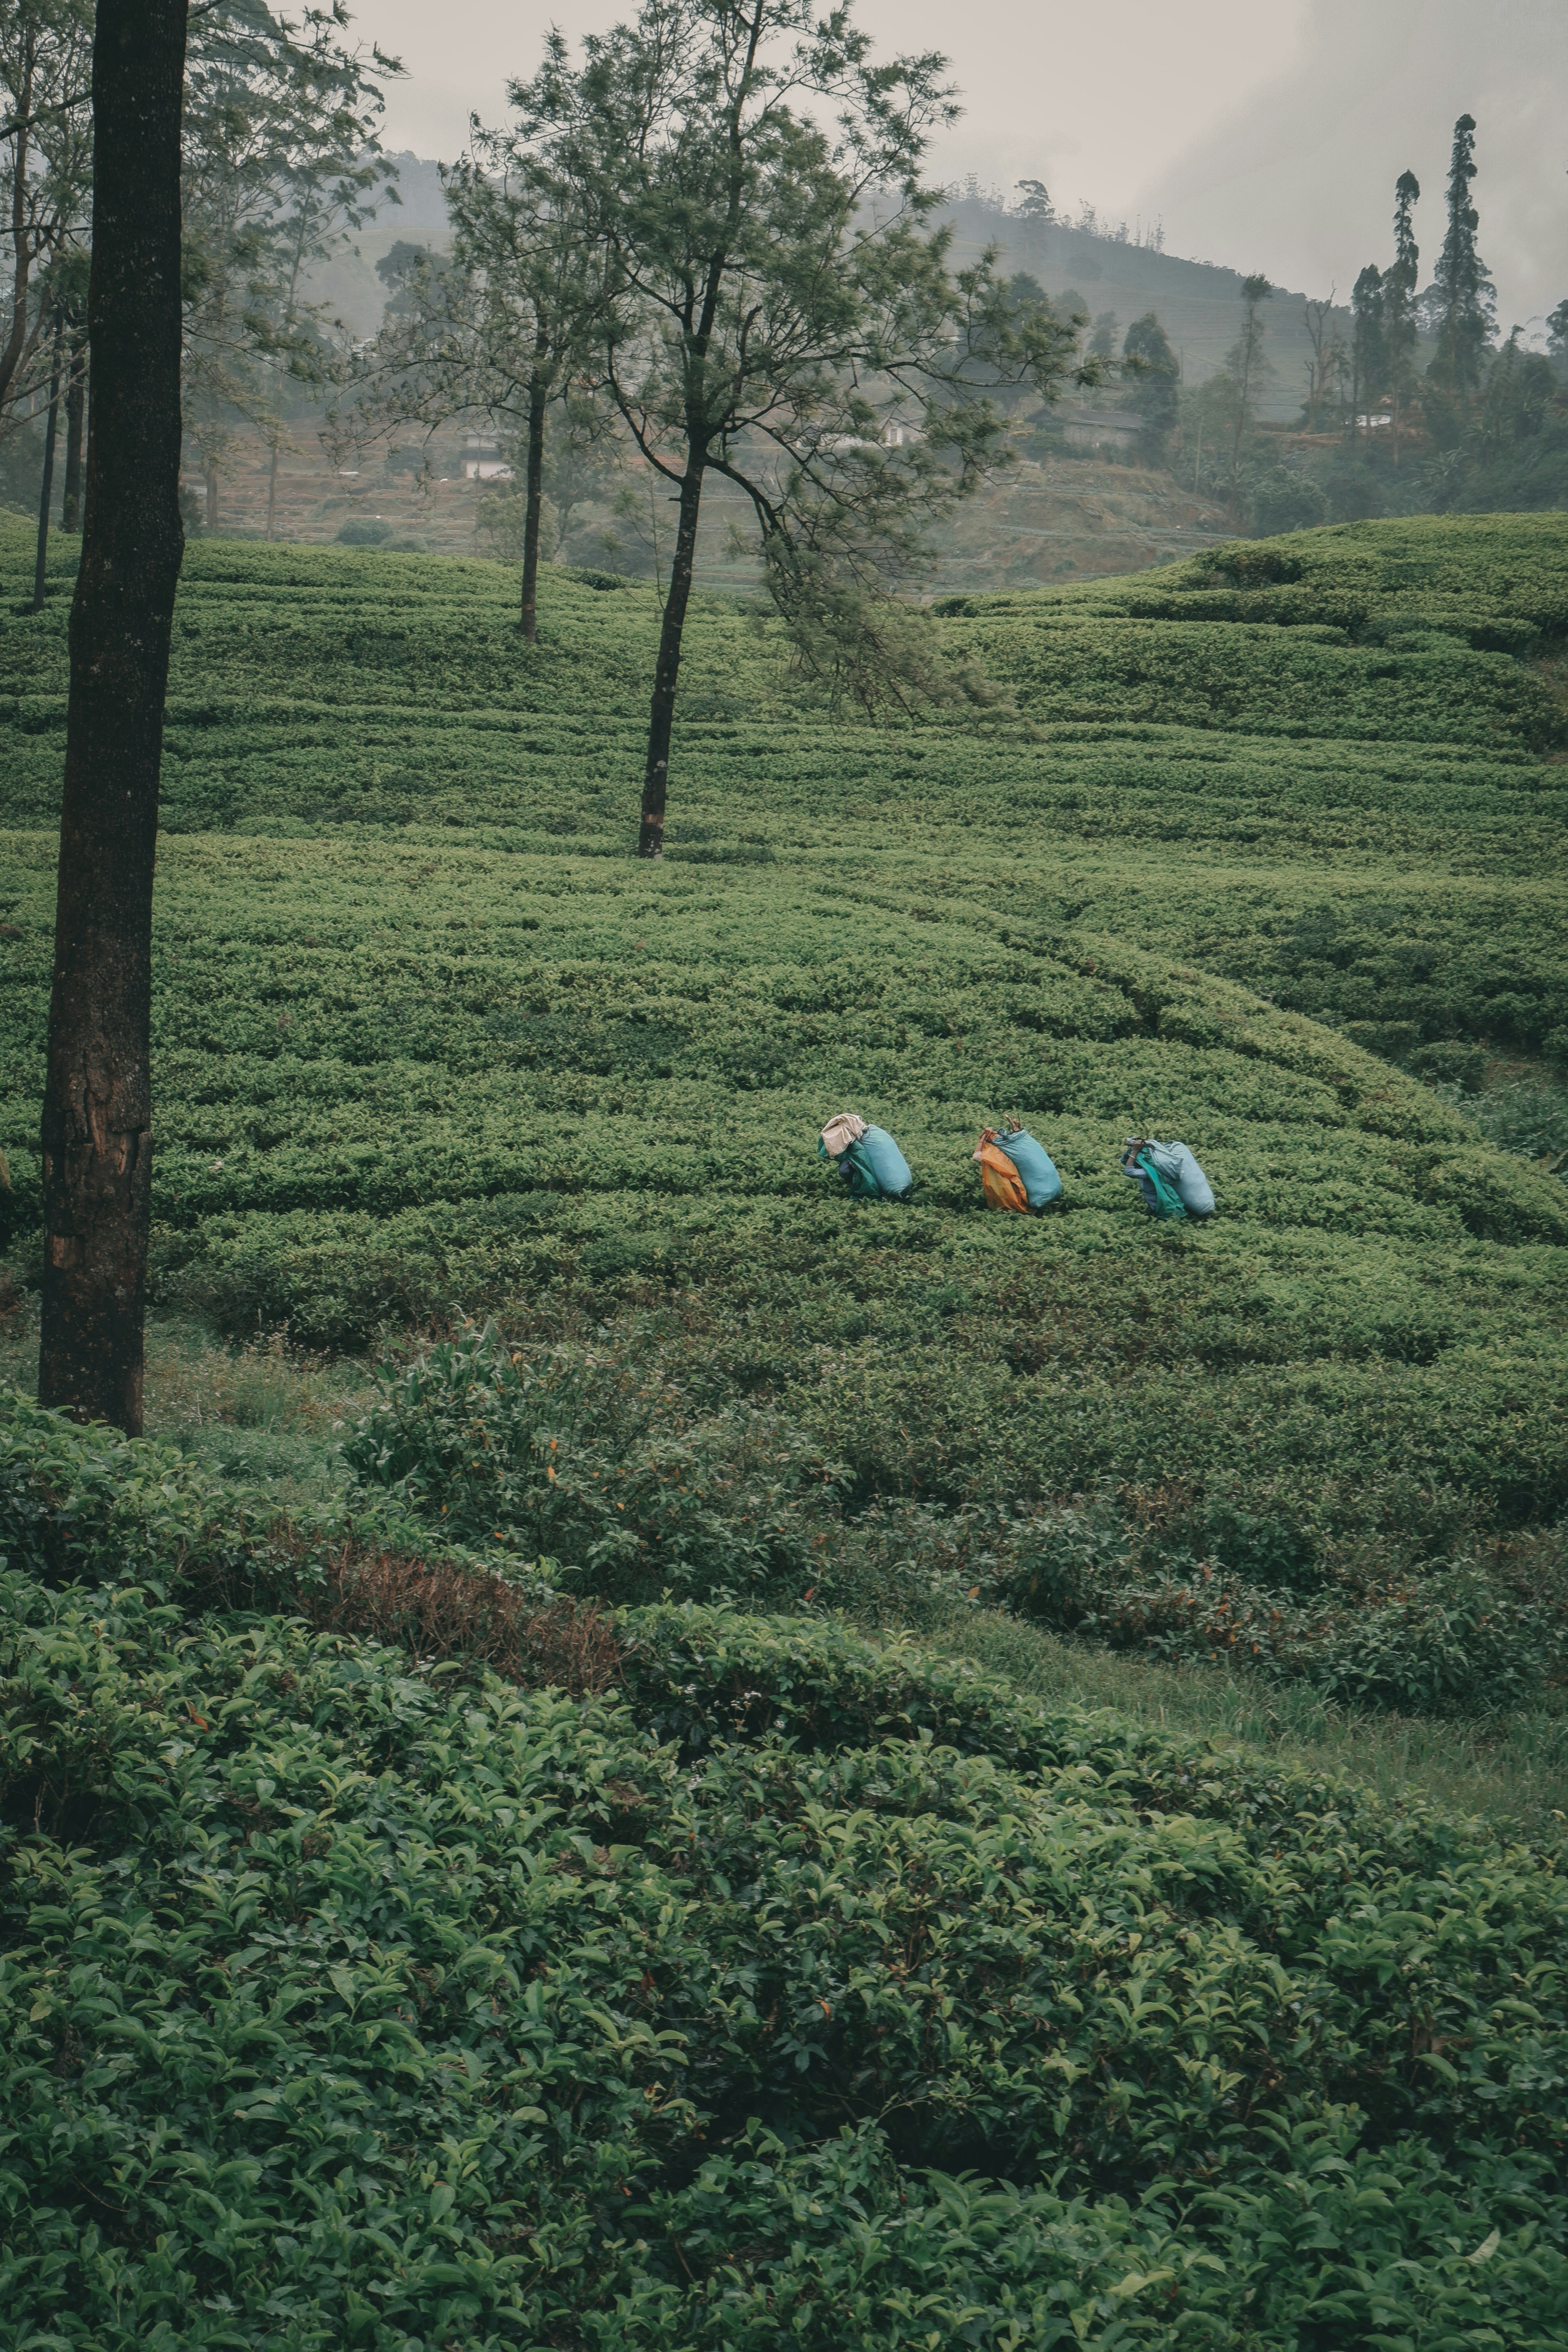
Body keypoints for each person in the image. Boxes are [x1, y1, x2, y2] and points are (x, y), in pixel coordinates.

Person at [1122, 1136, 1215, 1220]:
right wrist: (1132, 1149)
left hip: (1161, 1207)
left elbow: (1129, 1171)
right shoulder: (1160, 1164)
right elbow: (1125, 1161)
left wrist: (1134, 1152)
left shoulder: (1152, 1171)